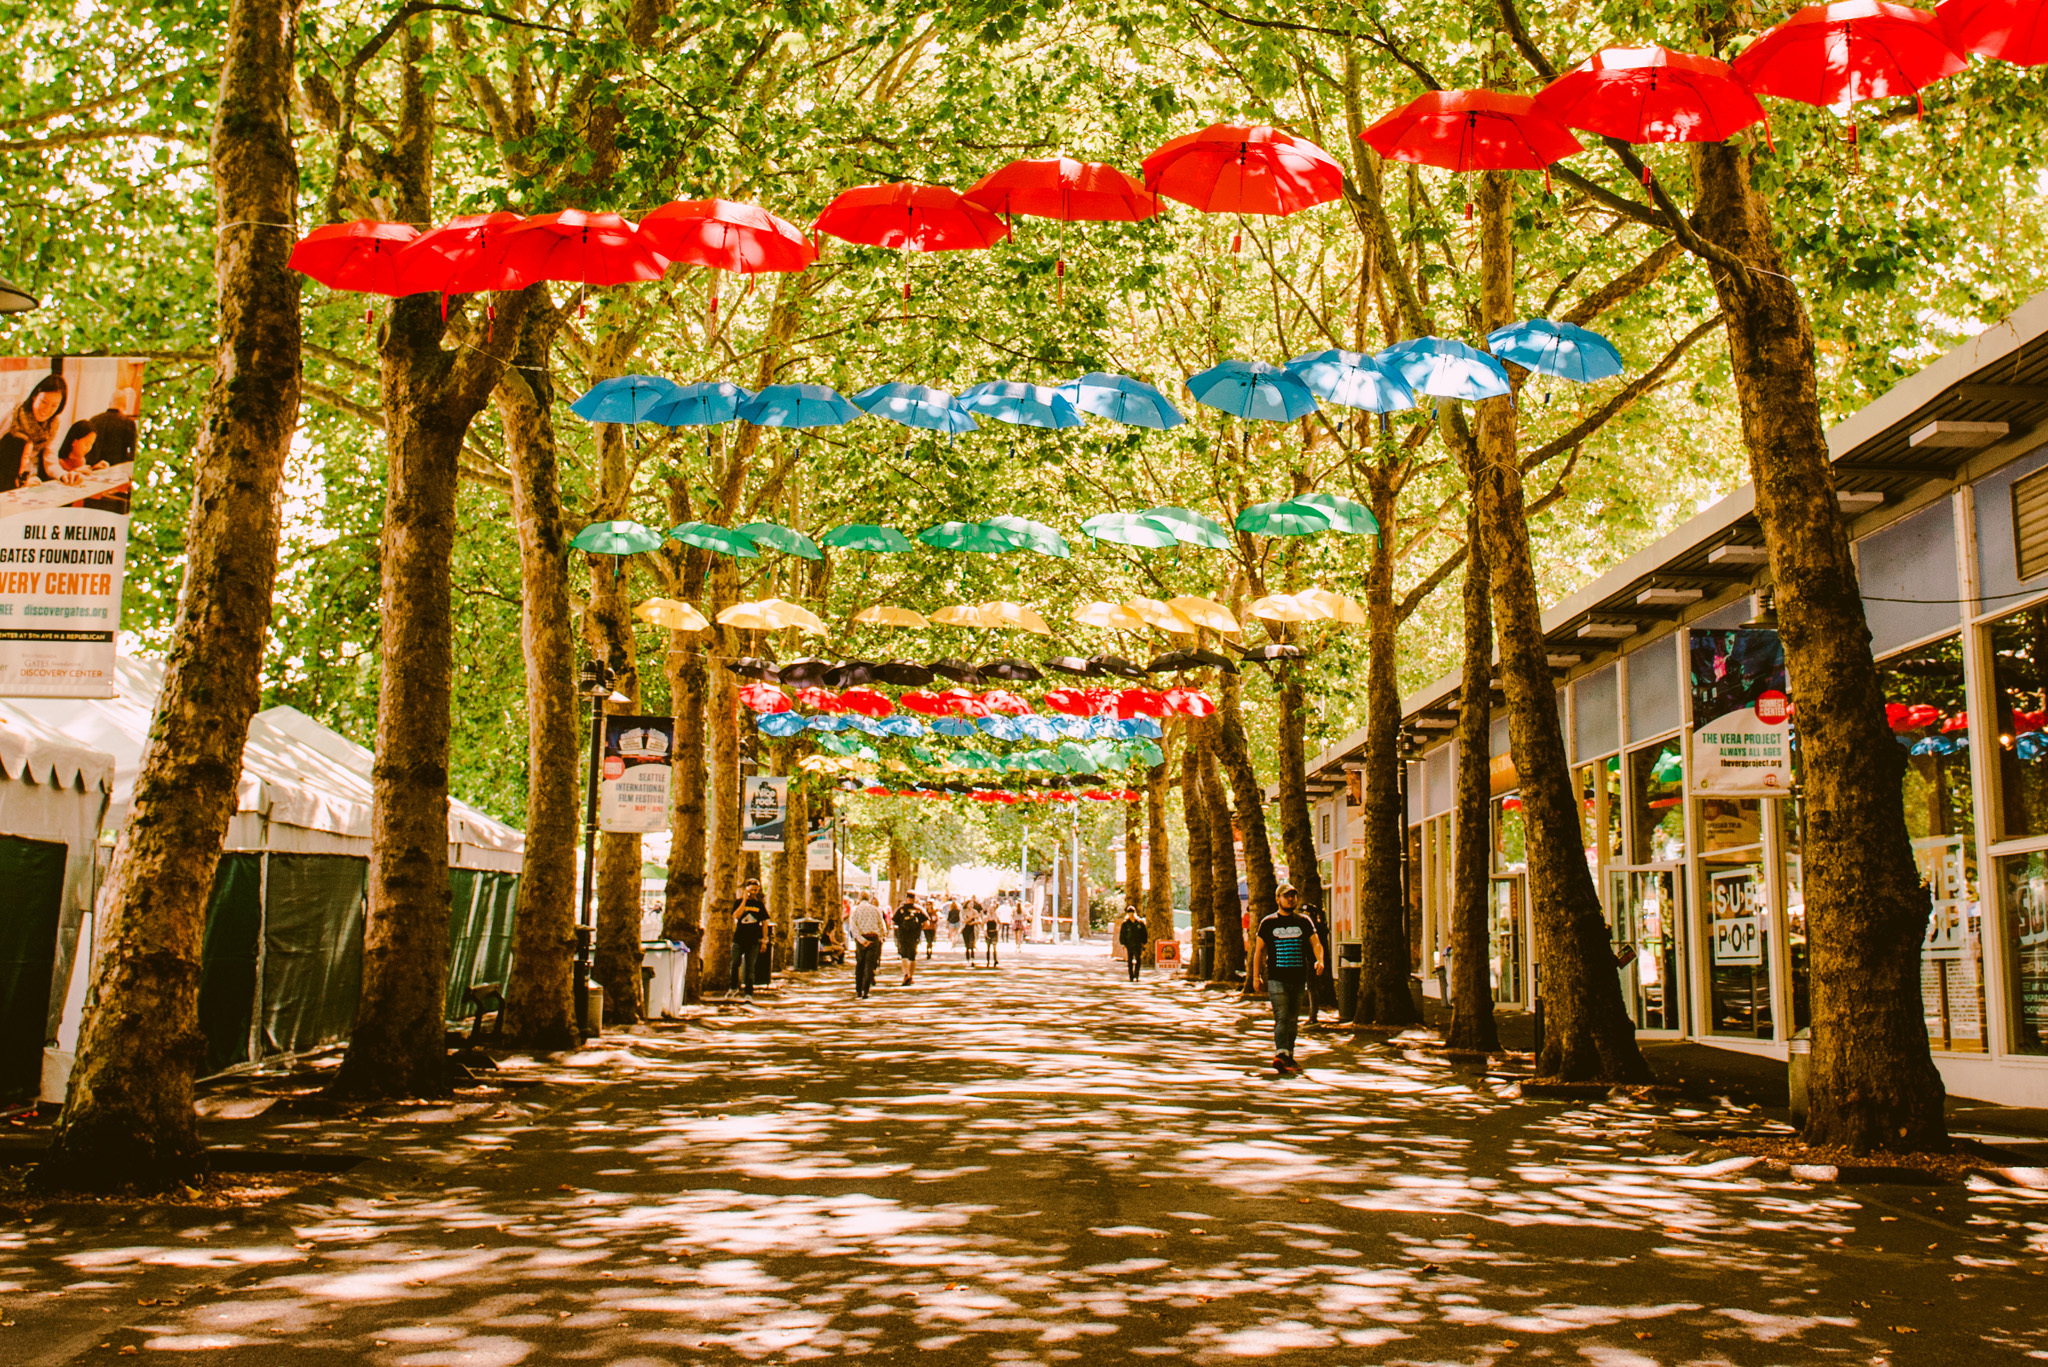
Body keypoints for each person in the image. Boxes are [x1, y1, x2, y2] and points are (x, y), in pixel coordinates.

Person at [1251, 884, 1324, 1073]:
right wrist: (1256, 976)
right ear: (1278, 899)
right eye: (1286, 896)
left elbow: (1316, 943)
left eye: (1293, 896)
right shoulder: (1268, 923)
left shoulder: (1304, 921)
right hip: (1277, 978)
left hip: (1298, 978)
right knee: (1282, 1016)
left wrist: (1320, 960)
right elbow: (1259, 951)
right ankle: (1281, 1053)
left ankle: (1288, 1055)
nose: (1290, 899)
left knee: (1292, 1019)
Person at [0, 373, 68, 495]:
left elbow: (50, 461)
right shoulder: (13, 417)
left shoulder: (52, 425)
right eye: (43, 402)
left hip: (34, 482)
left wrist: (63, 474)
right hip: (9, 483)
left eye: (54, 405)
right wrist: (21, 481)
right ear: (34, 396)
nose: (47, 410)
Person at [731, 880, 770, 1001]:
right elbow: (736, 916)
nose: (753, 892)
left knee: (750, 967)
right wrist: (744, 900)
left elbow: (764, 923)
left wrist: (764, 940)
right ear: (746, 890)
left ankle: (749, 993)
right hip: (739, 939)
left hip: (753, 940)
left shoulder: (759, 905)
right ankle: (733, 988)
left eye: (756, 890)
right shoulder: (738, 902)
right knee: (734, 963)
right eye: (751, 890)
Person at [847, 895, 887, 999]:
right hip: (873, 938)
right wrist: (880, 936)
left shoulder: (855, 910)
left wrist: (861, 940)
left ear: (859, 899)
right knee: (869, 965)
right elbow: (882, 925)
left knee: (860, 964)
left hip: (861, 939)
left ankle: (858, 990)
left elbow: (853, 927)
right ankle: (866, 990)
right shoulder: (876, 910)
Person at [893, 898, 927, 985]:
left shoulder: (901, 909)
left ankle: (906, 974)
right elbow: (927, 923)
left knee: (904, 955)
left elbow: (894, 923)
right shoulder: (919, 909)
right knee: (912, 957)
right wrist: (919, 929)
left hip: (903, 936)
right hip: (914, 936)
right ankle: (911, 976)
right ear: (914, 898)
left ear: (907, 898)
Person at [1117, 905, 1150, 981]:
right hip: (1129, 944)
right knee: (1130, 960)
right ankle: (1131, 976)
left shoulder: (1140, 923)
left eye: (1132, 912)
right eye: (1129, 913)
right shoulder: (1125, 924)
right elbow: (1122, 934)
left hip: (1138, 943)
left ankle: (1136, 975)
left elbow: (1144, 933)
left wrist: (1144, 942)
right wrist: (1123, 943)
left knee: (1138, 959)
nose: (1131, 914)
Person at [960, 898, 980, 966]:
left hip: (973, 929)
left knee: (972, 943)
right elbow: (963, 921)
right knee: (967, 944)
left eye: (972, 904)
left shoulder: (975, 911)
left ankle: (972, 959)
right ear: (967, 904)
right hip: (965, 929)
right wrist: (971, 918)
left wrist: (974, 922)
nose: (971, 905)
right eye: (970, 904)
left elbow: (979, 920)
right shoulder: (963, 911)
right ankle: (967, 958)